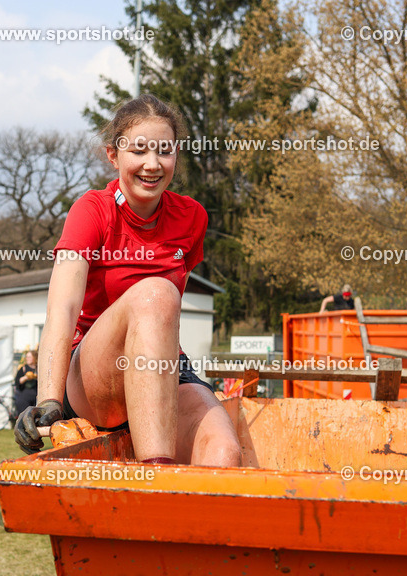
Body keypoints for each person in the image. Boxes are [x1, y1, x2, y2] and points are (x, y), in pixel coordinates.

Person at [13, 93, 240, 466]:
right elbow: (62, 310)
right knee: (155, 293)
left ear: (176, 155)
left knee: (223, 452)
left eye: (164, 151)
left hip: (163, 365)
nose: (152, 164)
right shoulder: (91, 211)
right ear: (113, 155)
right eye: (139, 151)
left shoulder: (192, 218)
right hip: (91, 372)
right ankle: (155, 478)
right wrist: (48, 401)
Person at [13, 349, 38, 415]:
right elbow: (17, 382)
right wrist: (26, 377)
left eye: (29, 357)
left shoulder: (39, 368)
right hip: (25, 398)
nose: (27, 359)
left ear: (35, 357)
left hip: (36, 398)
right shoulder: (23, 368)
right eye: (27, 357)